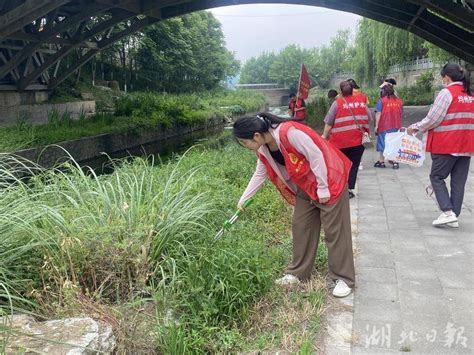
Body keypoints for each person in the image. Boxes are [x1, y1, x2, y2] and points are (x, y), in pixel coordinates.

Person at [233, 112, 355, 297]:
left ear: (256, 136)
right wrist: (243, 199)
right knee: (301, 226)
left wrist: (323, 188)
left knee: (335, 232)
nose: (246, 147)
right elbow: (260, 173)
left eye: (245, 143)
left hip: (328, 181)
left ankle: (343, 278)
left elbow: (316, 155)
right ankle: (298, 273)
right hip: (306, 186)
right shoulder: (263, 148)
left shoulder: (290, 133)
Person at [408, 63, 473, 228]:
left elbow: (432, 119)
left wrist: (414, 127)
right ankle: (453, 215)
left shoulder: (447, 93)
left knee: (436, 177)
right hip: (466, 146)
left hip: (446, 144)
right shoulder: (470, 94)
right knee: (458, 182)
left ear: (446, 77)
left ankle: (448, 212)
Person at [322, 81, 370, 199]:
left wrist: (324, 136)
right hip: (358, 141)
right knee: (354, 165)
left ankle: (340, 188)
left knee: (341, 165)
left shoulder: (337, 103)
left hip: (340, 143)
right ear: (353, 90)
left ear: (340, 92)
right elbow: (369, 118)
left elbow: (328, 123)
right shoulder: (362, 103)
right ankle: (349, 190)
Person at [374, 84, 403, 169]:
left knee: (382, 143)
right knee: (395, 143)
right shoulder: (399, 101)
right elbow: (401, 113)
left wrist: (376, 125)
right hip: (396, 126)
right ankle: (395, 162)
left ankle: (381, 162)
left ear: (384, 92)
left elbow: (378, 113)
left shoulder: (382, 101)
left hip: (384, 126)